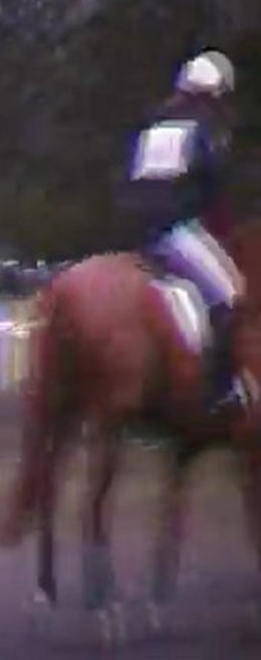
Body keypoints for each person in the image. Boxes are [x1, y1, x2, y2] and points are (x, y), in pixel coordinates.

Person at [121, 49, 243, 416]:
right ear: (213, 93)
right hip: (176, 231)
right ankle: (219, 391)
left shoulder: (153, 126)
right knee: (231, 296)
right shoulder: (200, 131)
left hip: (139, 233)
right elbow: (212, 189)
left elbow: (133, 183)